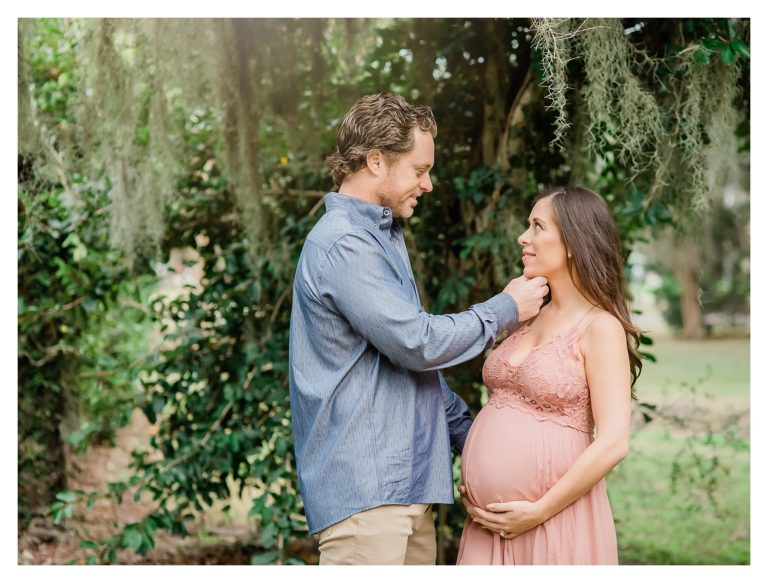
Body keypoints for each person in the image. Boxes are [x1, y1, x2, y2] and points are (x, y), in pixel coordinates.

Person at [288, 92, 549, 565]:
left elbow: (410, 371)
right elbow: (418, 343)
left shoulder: (381, 237)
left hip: (406, 493)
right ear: (375, 161)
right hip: (367, 500)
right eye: (419, 170)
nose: (428, 185)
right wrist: (507, 307)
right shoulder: (345, 243)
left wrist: (475, 438)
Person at [457, 186, 642, 565]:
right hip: (486, 526)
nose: (523, 237)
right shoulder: (526, 314)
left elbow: (613, 442)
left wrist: (539, 510)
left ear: (574, 242)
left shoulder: (600, 327)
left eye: (538, 226)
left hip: (553, 520)